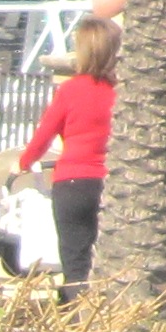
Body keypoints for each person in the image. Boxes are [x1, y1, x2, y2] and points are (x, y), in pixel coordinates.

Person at [13, 16, 116, 294]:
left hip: (73, 183)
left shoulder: (71, 90)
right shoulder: (121, 93)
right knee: (110, 262)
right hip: (111, 183)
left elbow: (44, 136)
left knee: (75, 262)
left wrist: (22, 164)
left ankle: (76, 325)